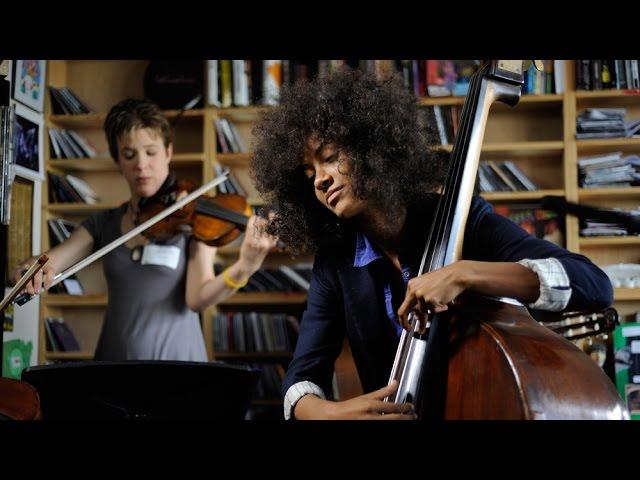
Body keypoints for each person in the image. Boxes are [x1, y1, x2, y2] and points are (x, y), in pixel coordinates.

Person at [249, 68, 614, 420]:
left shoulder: (461, 220)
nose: (320, 180)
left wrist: (465, 274)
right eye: (310, 173)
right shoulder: (336, 261)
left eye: (330, 158)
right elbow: (301, 376)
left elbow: (593, 284)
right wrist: (329, 412)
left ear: (373, 148)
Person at [12, 98, 278, 361]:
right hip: (115, 364)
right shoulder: (103, 223)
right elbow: (55, 258)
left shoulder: (193, 218)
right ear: (117, 159)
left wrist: (245, 267)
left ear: (168, 152)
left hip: (178, 367)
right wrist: (33, 270)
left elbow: (198, 299)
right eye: (129, 155)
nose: (141, 165)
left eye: (151, 152)